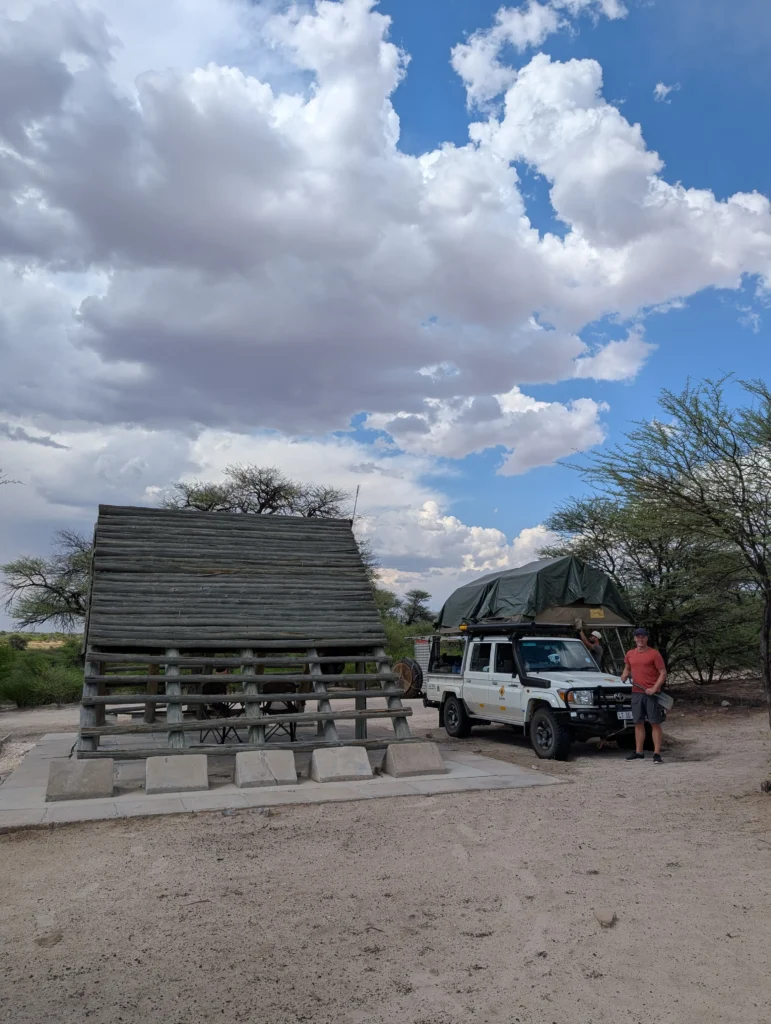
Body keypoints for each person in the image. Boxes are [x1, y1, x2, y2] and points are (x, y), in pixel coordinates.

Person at [621, 628, 667, 764]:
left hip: (651, 693)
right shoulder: (630, 653)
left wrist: (654, 688)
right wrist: (624, 675)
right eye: (638, 637)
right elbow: (627, 668)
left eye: (643, 637)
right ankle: (639, 752)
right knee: (638, 722)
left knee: (654, 722)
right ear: (635, 638)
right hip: (636, 692)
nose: (640, 639)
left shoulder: (654, 654)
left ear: (647, 638)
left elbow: (663, 673)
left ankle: (657, 753)